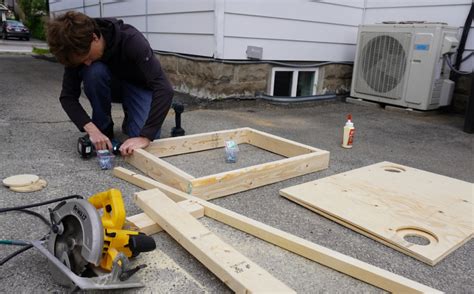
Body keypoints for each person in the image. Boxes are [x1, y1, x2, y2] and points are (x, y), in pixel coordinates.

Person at [46, 11, 173, 156]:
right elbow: (68, 97)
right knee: (94, 71)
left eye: (87, 57)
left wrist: (145, 136)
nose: (86, 63)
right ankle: (103, 129)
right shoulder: (75, 49)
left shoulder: (131, 40)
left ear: (94, 37)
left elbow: (164, 88)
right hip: (111, 86)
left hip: (139, 86)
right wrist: (93, 130)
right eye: (81, 61)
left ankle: (131, 113)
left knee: (145, 139)